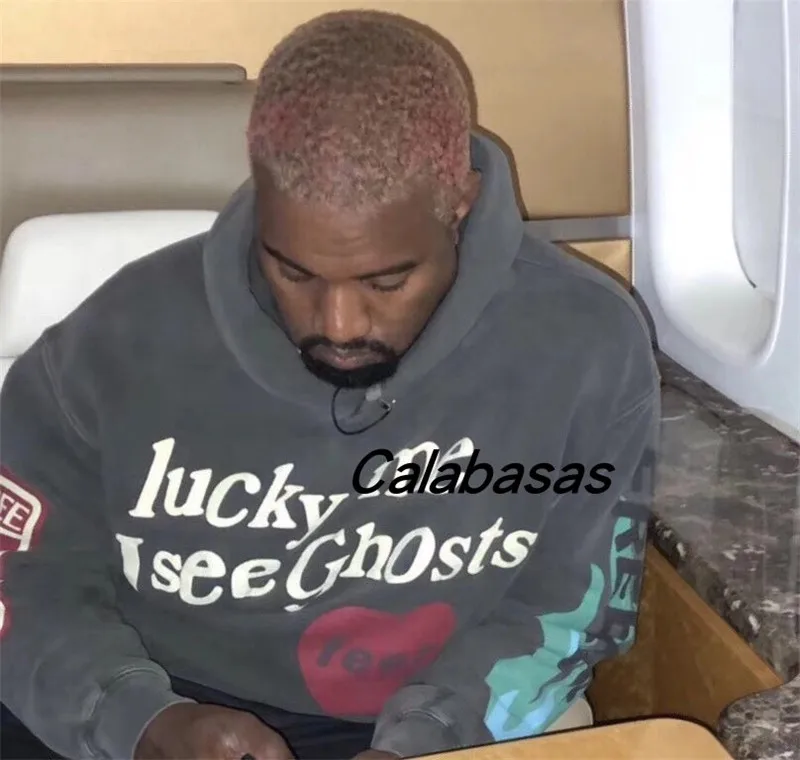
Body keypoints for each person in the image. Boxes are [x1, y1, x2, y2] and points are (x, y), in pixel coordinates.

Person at [0, 9, 660, 760]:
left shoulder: (584, 349)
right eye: (295, 272)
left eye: (388, 281)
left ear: (459, 207)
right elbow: (25, 575)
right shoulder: (114, 342)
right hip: (155, 701)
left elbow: (567, 609)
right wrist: (137, 720)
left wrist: (430, 739)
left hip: (450, 712)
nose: (340, 325)